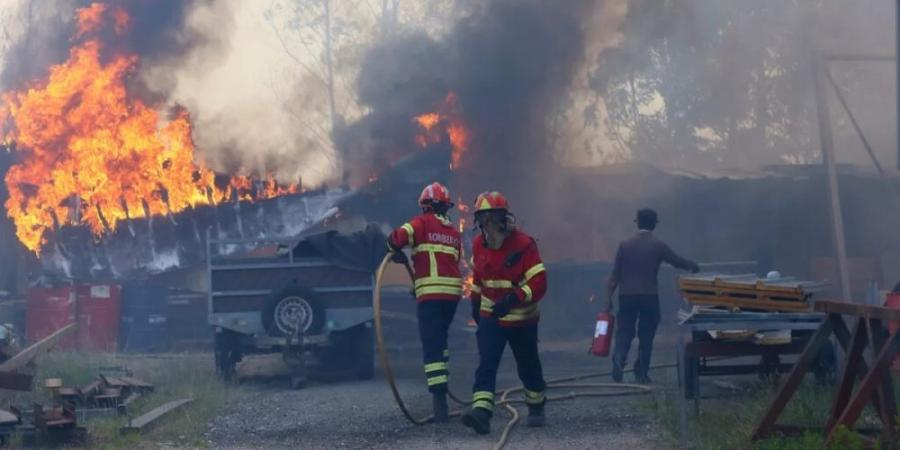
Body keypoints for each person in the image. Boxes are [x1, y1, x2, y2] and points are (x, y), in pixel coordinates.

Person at [461, 191, 548, 435]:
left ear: (504, 218)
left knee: (528, 365)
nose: (488, 225)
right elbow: (478, 276)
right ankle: (482, 414)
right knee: (486, 364)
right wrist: (476, 303)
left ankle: (536, 404)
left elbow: (539, 282)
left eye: (492, 218)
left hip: (522, 319)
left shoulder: (524, 244)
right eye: (484, 219)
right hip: (492, 318)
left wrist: (514, 298)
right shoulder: (479, 244)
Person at [387, 182, 462, 422]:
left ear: (426, 206)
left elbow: (398, 237)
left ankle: (440, 405)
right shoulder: (453, 232)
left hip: (431, 297)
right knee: (440, 342)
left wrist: (394, 249)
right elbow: (448, 262)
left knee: (432, 348)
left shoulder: (421, 223)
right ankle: (443, 392)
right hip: (451, 297)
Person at [605, 208, 699, 384]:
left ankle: (619, 358)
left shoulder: (624, 245)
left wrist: (608, 299)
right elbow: (676, 261)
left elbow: (614, 276)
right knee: (646, 335)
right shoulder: (658, 246)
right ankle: (641, 372)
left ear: (637, 222)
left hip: (627, 297)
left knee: (624, 331)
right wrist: (692, 266)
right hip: (649, 296)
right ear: (654, 224)